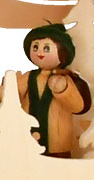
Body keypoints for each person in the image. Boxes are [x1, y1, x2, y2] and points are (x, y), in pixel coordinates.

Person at [19, 23, 90, 157]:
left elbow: (77, 106)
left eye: (46, 48)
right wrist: (5, 93)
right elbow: (14, 93)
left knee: (58, 166)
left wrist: (63, 90)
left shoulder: (66, 78)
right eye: (35, 47)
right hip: (28, 138)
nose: (40, 53)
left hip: (57, 142)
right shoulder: (29, 76)